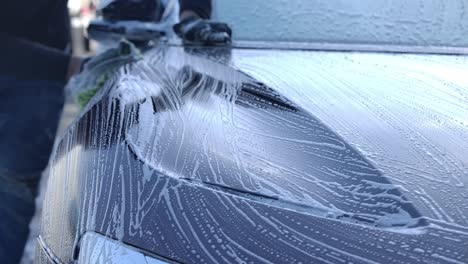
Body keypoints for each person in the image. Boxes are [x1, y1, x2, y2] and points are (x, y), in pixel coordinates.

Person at [0, 1, 231, 263]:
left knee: (13, 192)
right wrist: (74, 67)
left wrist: (191, 18)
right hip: (25, 79)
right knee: (7, 194)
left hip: (38, 77)